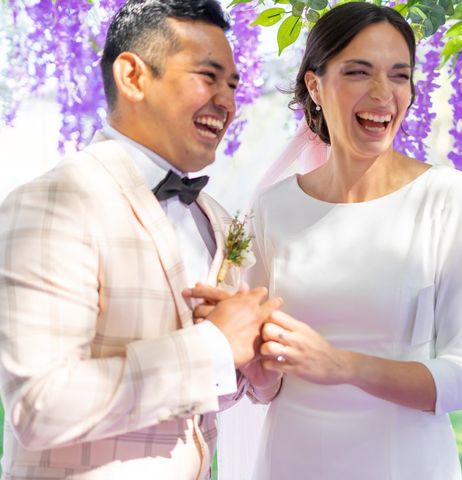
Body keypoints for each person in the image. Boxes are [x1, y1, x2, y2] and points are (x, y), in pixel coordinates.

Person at [194, 3, 462, 478]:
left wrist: (342, 365)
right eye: (358, 72)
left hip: (405, 462)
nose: (383, 94)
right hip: (291, 458)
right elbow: (265, 383)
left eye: (400, 75)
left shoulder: (448, 197)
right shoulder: (273, 208)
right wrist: (252, 361)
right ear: (315, 85)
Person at [0, 1, 281, 479]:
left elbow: (188, 396)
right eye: (207, 76)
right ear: (132, 76)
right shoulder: (55, 200)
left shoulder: (211, 217)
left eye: (233, 84)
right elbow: (41, 405)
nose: (227, 101)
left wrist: (246, 366)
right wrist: (213, 346)